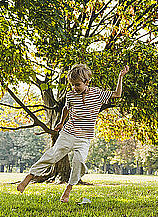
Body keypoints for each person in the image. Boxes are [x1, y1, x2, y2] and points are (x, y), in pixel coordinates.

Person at [17, 63, 130, 202]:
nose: (75, 88)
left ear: (87, 82)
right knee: (53, 155)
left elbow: (117, 94)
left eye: (77, 84)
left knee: (79, 162)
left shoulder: (97, 94)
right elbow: (66, 108)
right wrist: (61, 122)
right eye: (72, 85)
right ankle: (29, 176)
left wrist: (120, 77)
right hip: (68, 133)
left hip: (84, 138)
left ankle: (68, 189)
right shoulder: (70, 95)